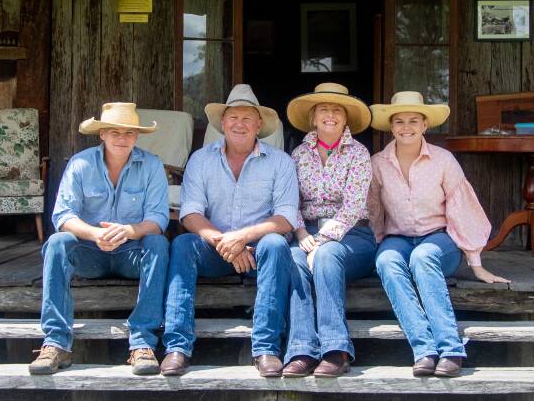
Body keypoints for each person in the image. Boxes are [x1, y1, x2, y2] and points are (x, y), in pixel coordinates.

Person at [160, 84, 300, 378]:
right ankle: (177, 347)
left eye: (247, 118)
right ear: (222, 123)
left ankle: (266, 348)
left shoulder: (280, 162)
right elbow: (191, 213)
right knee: (183, 244)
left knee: (276, 244)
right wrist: (227, 241)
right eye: (233, 117)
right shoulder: (201, 159)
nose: (240, 124)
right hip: (215, 248)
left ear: (259, 124)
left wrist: (243, 237)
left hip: (259, 252)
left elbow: (286, 218)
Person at [367, 91, 509, 378]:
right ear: (391, 127)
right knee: (386, 262)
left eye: (413, 121)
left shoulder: (443, 160)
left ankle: (451, 349)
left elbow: (461, 207)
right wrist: (378, 242)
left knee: (422, 257)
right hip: (398, 237)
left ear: (425, 126)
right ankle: (424, 350)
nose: (406, 127)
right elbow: (374, 208)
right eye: (399, 121)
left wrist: (475, 262)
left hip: (439, 239)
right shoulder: (378, 163)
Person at [31, 102, 170, 376]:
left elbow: (158, 218)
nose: (122, 138)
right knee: (58, 242)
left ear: (137, 136)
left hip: (131, 253)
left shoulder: (152, 165)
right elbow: (63, 215)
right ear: (102, 135)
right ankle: (56, 342)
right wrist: (95, 234)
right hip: (90, 253)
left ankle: (142, 342)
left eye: (129, 133)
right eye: (114, 132)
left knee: (159, 243)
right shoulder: (80, 163)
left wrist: (129, 231)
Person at [279, 83, 376, 378]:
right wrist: (300, 235)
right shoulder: (297, 154)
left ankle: (336, 350)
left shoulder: (359, 154)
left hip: (352, 235)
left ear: (346, 119)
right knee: (293, 260)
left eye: (337, 110)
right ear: (313, 117)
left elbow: (353, 207)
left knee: (326, 256)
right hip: (305, 233)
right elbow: (288, 199)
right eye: (324, 109)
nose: (330, 115)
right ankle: (301, 350)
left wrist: (320, 241)